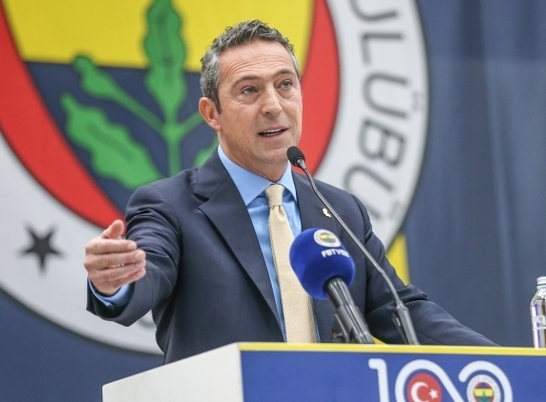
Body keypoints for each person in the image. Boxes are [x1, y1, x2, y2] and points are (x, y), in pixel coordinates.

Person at [84, 20, 496, 364]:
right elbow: (146, 274)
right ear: (212, 113)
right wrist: (116, 282)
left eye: (285, 85)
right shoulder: (170, 206)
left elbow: (399, 309)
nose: (273, 106)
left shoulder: (341, 210)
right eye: (249, 90)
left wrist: (502, 362)